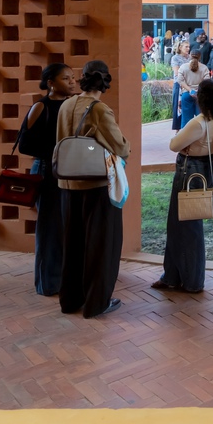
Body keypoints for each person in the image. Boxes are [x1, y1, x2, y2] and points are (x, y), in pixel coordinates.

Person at [56, 60, 130, 319]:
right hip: (95, 185)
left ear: (83, 78)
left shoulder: (66, 105)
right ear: (106, 81)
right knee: (101, 245)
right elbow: (120, 147)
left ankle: (70, 300)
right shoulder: (99, 110)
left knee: (72, 243)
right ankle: (97, 303)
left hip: (67, 184)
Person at [153, 78, 213, 294]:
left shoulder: (199, 122)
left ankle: (191, 280)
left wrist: (185, 141)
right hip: (209, 168)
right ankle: (173, 276)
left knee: (183, 226)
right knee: (186, 225)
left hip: (190, 170)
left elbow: (174, 145)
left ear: (200, 98)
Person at [17, 63, 77, 296]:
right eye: (66, 78)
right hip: (47, 172)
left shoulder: (73, 105)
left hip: (68, 171)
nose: (72, 82)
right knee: (50, 229)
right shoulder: (41, 106)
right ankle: (48, 284)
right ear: (51, 83)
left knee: (65, 227)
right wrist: (56, 151)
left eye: (73, 77)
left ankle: (65, 278)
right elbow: (24, 145)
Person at [174, 55, 210, 130]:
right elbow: (207, 81)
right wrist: (198, 90)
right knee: (201, 118)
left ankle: (185, 135)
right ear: (200, 57)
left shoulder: (183, 67)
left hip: (186, 94)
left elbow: (179, 80)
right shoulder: (204, 68)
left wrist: (190, 90)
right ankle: (200, 135)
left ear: (190, 56)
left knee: (186, 120)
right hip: (200, 96)